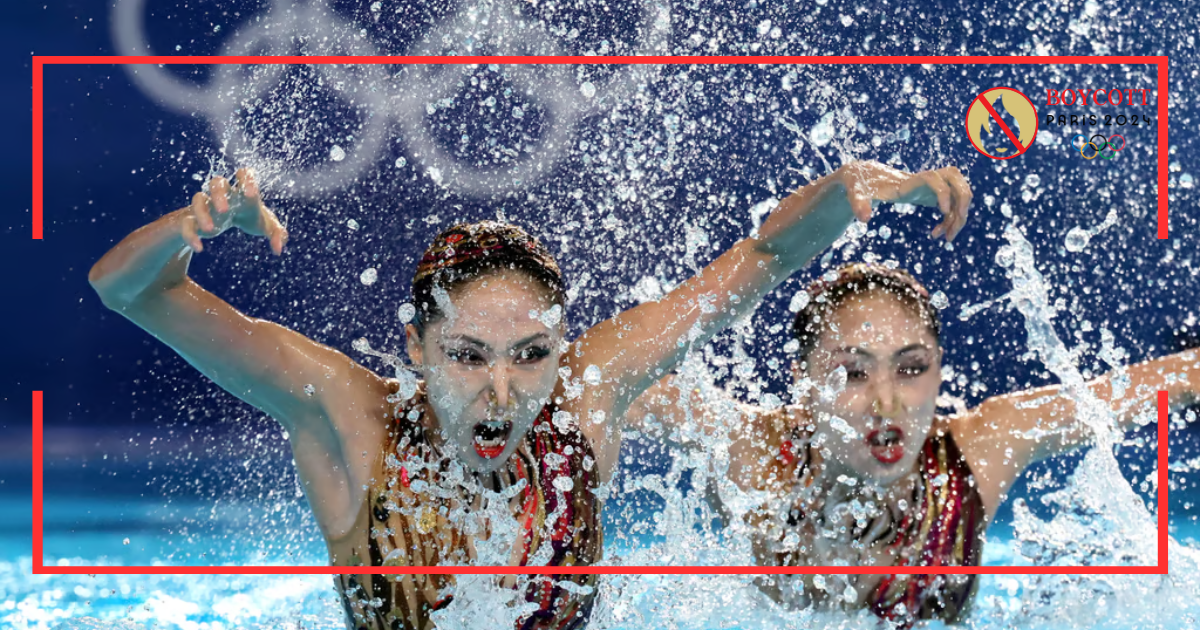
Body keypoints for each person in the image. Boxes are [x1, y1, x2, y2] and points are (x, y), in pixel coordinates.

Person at [87, 161, 971, 630]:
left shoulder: (587, 398)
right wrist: (191, 228)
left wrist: (847, 190)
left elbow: (762, 259)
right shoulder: (347, 416)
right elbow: (127, 290)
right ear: (416, 347)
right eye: (468, 356)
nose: (504, 391)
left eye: (532, 354)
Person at [628, 262, 1200, 627]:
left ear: (940, 370)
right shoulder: (754, 453)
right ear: (803, 381)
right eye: (853, 373)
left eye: (911, 369)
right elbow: (599, 384)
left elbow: (1163, 383)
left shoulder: (978, 451)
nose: (887, 403)